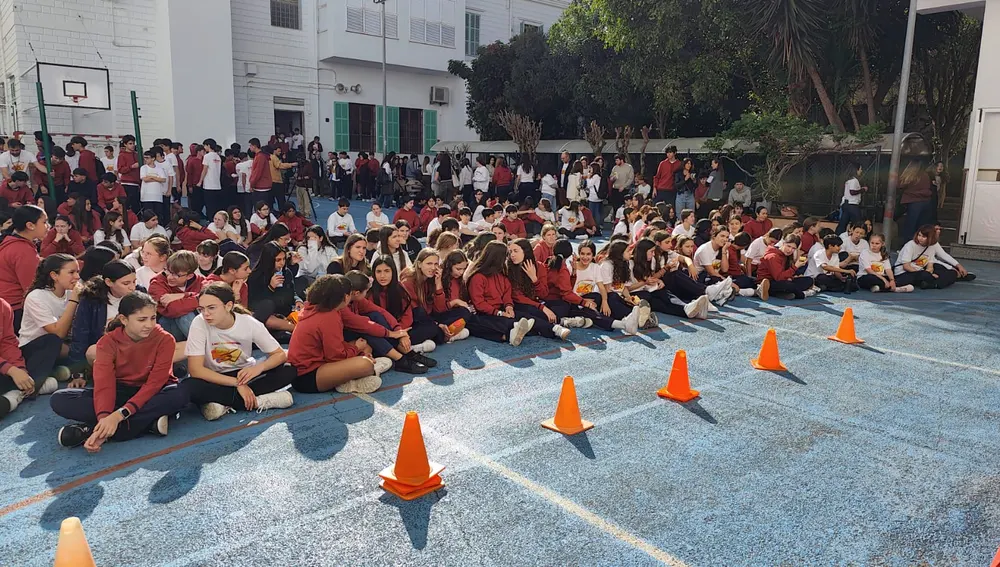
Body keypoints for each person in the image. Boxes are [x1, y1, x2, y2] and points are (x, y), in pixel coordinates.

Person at [50, 292, 188, 449]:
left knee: (180, 393)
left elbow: (155, 383)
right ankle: (145, 424)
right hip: (121, 391)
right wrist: (104, 417)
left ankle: (96, 431)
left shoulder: (165, 339)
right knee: (60, 399)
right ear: (124, 319)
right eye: (142, 319)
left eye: (153, 318)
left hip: (154, 392)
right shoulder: (108, 342)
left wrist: (118, 415)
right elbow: (104, 385)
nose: (149, 324)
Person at [183, 282, 295, 420]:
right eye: (201, 309)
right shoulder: (199, 323)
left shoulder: (249, 323)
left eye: (211, 308)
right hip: (213, 377)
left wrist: (259, 368)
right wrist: (237, 384)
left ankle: (222, 403)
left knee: (289, 369)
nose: (206, 314)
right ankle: (258, 401)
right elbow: (196, 370)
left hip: (244, 374)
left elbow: (279, 354)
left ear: (228, 306)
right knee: (188, 386)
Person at [287, 275, 388, 394]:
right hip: (308, 376)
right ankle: (355, 380)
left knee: (364, 347)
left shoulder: (316, 308)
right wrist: (356, 349)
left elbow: (334, 347)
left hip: (314, 366)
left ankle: (349, 380)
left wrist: (358, 350)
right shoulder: (329, 316)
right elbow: (335, 356)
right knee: (366, 364)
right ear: (345, 297)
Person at [18, 254, 83, 395]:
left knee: (83, 345)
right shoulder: (37, 296)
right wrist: (74, 301)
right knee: (54, 341)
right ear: (54, 275)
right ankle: (32, 386)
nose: (77, 277)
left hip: (62, 344)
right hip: (34, 348)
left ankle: (56, 371)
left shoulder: (71, 292)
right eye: (71, 272)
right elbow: (57, 332)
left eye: (77, 272)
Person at [69, 259, 138, 368]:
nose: (132, 287)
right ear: (109, 282)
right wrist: (78, 371)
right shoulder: (92, 298)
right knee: (93, 352)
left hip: (135, 347)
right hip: (107, 348)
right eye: (126, 283)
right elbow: (81, 332)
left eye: (134, 281)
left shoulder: (139, 294)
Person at [465, 241, 535, 346]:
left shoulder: (501, 274)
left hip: (499, 309)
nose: (508, 258)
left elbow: (507, 293)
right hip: (484, 313)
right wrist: (499, 313)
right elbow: (479, 304)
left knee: (519, 315)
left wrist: (509, 307)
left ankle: (512, 332)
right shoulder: (478, 277)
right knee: (501, 322)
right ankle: (513, 331)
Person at [0, 205, 47, 332]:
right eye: (44, 222)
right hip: (15, 309)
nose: (47, 226)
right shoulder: (23, 250)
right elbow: (31, 287)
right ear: (30, 225)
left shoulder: (10, 241)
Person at [148, 250, 204, 340]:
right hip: (168, 325)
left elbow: (213, 297)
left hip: (196, 322)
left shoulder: (200, 281)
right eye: (168, 271)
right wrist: (198, 298)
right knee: (183, 316)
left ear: (189, 276)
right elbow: (173, 309)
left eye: (176, 275)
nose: (169, 277)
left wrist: (183, 295)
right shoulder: (157, 283)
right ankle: (203, 345)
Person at [248, 241, 298, 336]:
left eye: (284, 259)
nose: (282, 263)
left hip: (286, 312)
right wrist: (270, 287)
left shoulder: (286, 273)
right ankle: (297, 329)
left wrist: (298, 301)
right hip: (268, 315)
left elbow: (292, 292)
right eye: (278, 260)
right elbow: (254, 303)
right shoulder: (256, 276)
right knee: (270, 320)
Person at [894, 224, 959, 289]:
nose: (920, 238)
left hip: (921, 271)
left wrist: (928, 273)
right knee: (925, 275)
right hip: (905, 273)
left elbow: (930, 266)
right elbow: (906, 266)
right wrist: (927, 275)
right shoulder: (910, 245)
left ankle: (933, 284)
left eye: (924, 237)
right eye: (919, 235)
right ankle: (932, 282)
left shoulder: (932, 247)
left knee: (952, 273)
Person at [756, 234, 815, 299]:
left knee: (808, 280)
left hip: (781, 281)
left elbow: (786, 273)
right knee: (789, 285)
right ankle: (802, 294)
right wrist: (795, 267)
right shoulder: (773, 256)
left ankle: (784, 294)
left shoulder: (786, 255)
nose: (790, 250)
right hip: (769, 283)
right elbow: (779, 277)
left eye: (793, 248)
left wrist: (791, 277)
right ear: (783, 243)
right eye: (788, 246)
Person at [898, 161, 935, 245]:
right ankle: (920, 245)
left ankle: (907, 246)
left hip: (914, 202)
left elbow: (900, 185)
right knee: (921, 226)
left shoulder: (911, 175)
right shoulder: (925, 175)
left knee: (910, 226)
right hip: (926, 202)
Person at [295, 226, 338, 295]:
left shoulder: (329, 249)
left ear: (320, 238)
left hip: (326, 280)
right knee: (301, 280)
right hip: (308, 280)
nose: (310, 241)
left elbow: (335, 267)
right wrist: (313, 249)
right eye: (308, 238)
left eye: (314, 238)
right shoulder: (302, 250)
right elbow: (310, 270)